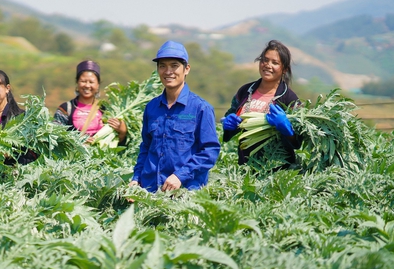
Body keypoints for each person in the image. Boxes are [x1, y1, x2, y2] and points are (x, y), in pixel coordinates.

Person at [129, 41, 220, 193]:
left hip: (185, 194)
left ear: (187, 69)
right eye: (162, 66)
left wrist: (180, 176)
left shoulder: (200, 108)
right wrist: (136, 178)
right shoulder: (151, 107)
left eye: (174, 65)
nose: (168, 71)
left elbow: (209, 151)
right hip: (150, 191)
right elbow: (146, 147)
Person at [221, 39, 301, 165]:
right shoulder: (245, 91)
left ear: (284, 69)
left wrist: (287, 130)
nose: (268, 65)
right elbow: (230, 123)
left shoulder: (290, 99)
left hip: (277, 168)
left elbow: (298, 142)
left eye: (275, 63)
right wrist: (228, 125)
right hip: (245, 165)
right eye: (265, 60)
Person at [53, 60, 127, 144]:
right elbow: (54, 135)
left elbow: (118, 144)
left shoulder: (106, 109)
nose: (87, 85)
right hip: (74, 156)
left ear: (98, 84)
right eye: (83, 81)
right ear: (77, 83)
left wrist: (122, 131)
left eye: (91, 82)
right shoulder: (66, 108)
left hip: (102, 156)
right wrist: (75, 139)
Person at [0, 69, 37, 165]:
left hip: (10, 177)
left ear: (7, 88)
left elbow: (33, 154)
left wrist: (11, 154)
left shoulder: (21, 118)